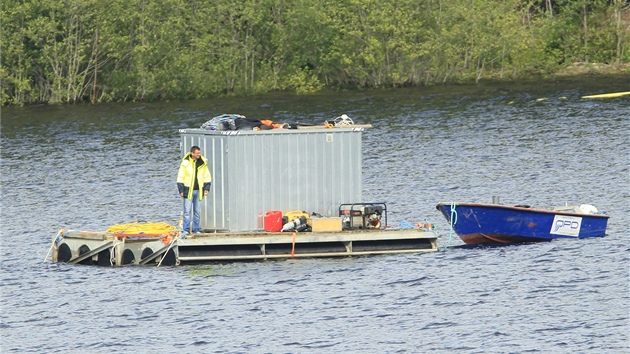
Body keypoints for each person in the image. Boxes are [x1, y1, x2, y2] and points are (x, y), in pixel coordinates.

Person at [177, 146, 212, 236]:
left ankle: (196, 229)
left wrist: (207, 188)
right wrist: (181, 190)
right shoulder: (185, 163)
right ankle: (186, 230)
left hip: (199, 190)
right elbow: (180, 177)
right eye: (197, 153)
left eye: (199, 153)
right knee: (187, 212)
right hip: (188, 190)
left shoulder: (202, 163)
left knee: (197, 212)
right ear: (192, 153)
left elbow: (207, 176)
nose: (199, 155)